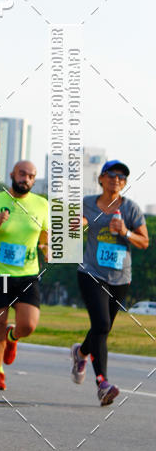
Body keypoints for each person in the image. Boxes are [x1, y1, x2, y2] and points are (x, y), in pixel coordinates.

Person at [71, 160, 148, 405]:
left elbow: (144, 242)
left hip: (120, 277)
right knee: (102, 324)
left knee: (102, 328)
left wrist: (125, 232)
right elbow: (72, 225)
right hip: (91, 272)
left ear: (124, 183)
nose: (116, 180)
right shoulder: (87, 204)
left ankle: (81, 353)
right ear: (101, 179)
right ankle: (102, 383)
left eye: (122, 177)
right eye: (111, 175)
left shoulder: (131, 209)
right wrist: (80, 224)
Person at [0, 161, 48, 391]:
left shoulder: (42, 205)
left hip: (27, 274)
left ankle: (13, 337)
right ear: (12, 174)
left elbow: (44, 237)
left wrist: (47, 249)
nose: (25, 178)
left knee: (29, 325)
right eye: (22, 174)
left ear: (34, 180)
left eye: (30, 176)